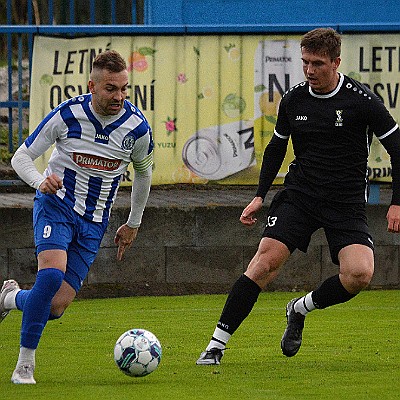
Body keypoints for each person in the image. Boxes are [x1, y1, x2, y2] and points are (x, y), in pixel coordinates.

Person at [196, 27, 400, 365]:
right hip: (300, 195)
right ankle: (215, 346)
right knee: (265, 263)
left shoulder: (361, 101)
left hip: (345, 202)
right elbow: (277, 148)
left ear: (336, 62)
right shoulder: (293, 99)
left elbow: (397, 150)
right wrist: (259, 195)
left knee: (359, 275)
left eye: (317, 64)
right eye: (304, 62)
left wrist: (397, 201)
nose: (309, 71)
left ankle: (300, 308)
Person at [0, 50, 154, 383]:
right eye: (111, 89)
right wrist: (42, 181)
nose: (119, 96)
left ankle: (10, 298)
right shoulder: (67, 115)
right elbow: (21, 157)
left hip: (95, 221)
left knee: (54, 306)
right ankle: (25, 364)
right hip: (56, 206)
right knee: (51, 276)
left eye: (124, 89)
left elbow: (143, 174)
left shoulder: (137, 128)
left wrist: (133, 223)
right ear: (92, 86)